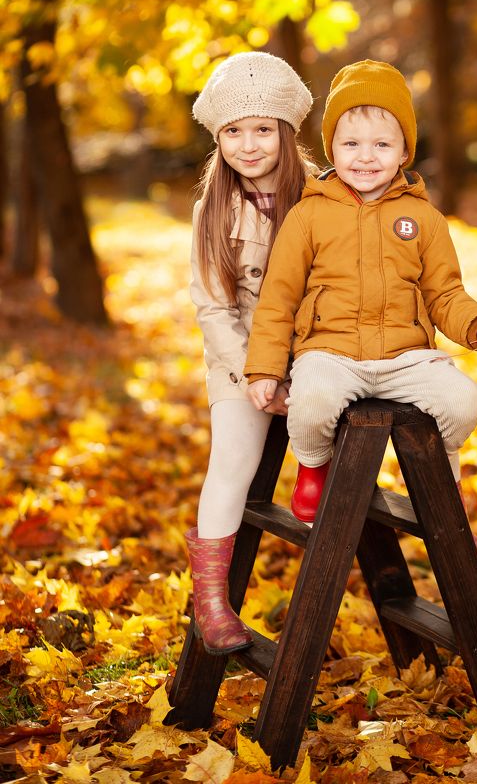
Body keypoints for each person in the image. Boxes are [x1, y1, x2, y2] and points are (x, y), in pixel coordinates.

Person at [245, 59, 477, 580]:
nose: (366, 157)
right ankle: (312, 467)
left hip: (406, 356)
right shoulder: (309, 215)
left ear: (404, 151)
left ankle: (447, 504)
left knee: (463, 399)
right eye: (351, 144)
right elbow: (278, 297)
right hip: (329, 352)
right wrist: (264, 367)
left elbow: (444, 292)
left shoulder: (423, 218)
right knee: (310, 398)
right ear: (332, 149)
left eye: (381, 144)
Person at [187, 51, 313, 654]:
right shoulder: (212, 210)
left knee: (360, 424)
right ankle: (212, 601)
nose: (248, 144)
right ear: (218, 139)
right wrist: (254, 373)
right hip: (238, 352)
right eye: (233, 132)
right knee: (234, 455)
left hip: (316, 348)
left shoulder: (323, 195)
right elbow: (214, 309)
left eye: (262, 128)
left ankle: (319, 483)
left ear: (286, 132)